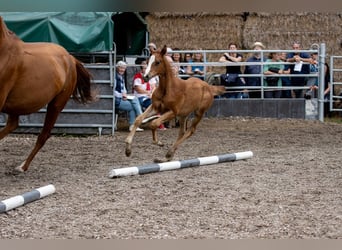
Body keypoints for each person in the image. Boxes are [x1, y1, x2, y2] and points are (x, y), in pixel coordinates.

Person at [114, 61, 144, 132]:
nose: (122, 70)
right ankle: (140, 118)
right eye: (121, 68)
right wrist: (122, 95)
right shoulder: (115, 77)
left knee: (134, 99)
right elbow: (113, 91)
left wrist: (125, 94)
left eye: (124, 68)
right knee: (133, 106)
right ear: (117, 68)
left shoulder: (120, 76)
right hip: (116, 100)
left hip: (121, 98)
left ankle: (135, 123)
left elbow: (123, 89)